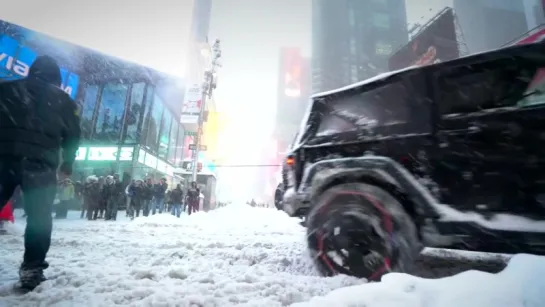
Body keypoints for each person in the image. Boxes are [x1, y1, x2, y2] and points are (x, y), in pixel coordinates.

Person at [0, 55, 81, 290]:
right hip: (40, 163)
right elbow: (73, 136)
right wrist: (67, 164)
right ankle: (32, 269)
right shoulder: (64, 101)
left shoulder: (6, 89)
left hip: (2, 158)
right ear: (56, 80)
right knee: (38, 218)